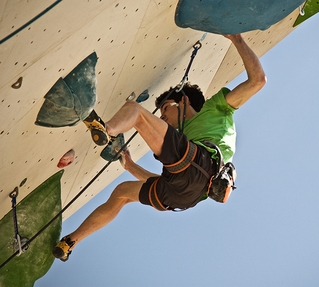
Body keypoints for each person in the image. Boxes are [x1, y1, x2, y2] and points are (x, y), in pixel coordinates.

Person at [53, 34, 266, 261]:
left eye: (166, 109)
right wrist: (130, 165)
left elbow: (258, 80)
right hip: (185, 198)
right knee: (122, 193)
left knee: (135, 111)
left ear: (183, 101)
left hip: (202, 164)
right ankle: (69, 243)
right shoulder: (181, 143)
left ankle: (106, 129)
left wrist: (236, 39)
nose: (163, 117)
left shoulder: (215, 109)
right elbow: (166, 179)